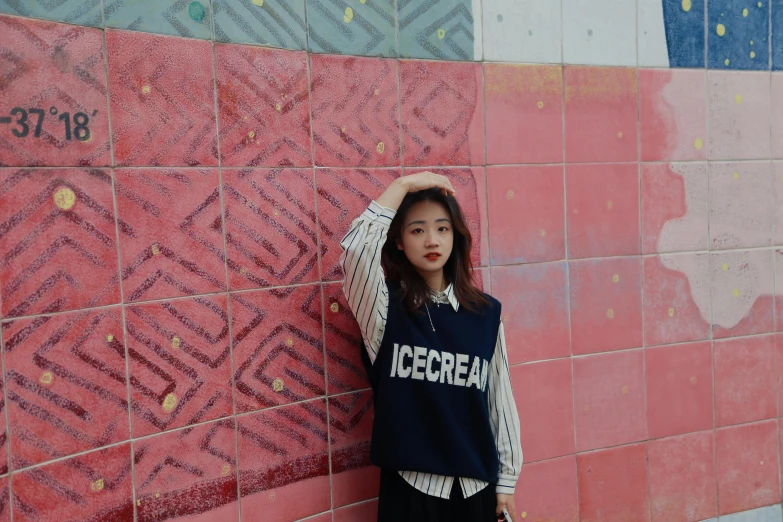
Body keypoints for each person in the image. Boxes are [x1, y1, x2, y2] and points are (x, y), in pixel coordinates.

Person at [339, 171, 522, 522]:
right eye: (417, 230)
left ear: (456, 236)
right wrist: (402, 187)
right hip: (411, 490)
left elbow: (499, 397)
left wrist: (507, 482)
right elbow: (357, 253)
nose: (431, 240)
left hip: (476, 490)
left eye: (442, 228)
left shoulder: (485, 314)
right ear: (399, 242)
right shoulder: (384, 310)